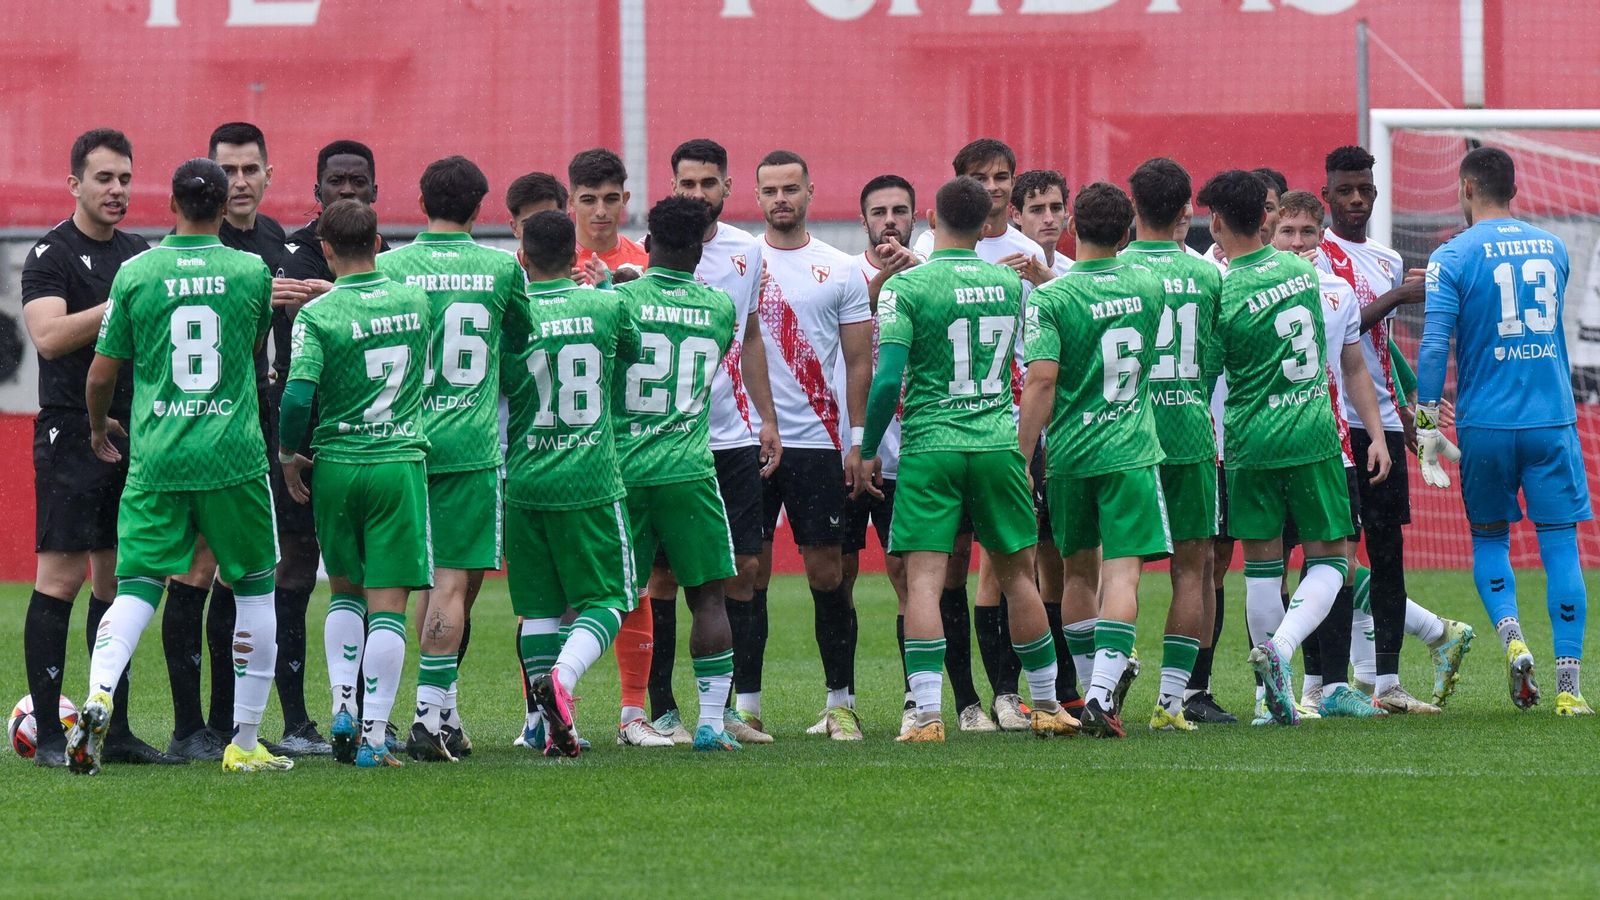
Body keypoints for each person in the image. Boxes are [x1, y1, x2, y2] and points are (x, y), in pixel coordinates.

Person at [65, 158, 289, 775]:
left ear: (169, 204)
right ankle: (244, 742)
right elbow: (247, 352)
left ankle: (98, 696)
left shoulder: (138, 272)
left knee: (136, 588)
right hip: (232, 458)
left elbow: (101, 374)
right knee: (254, 588)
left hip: (159, 457)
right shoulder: (250, 271)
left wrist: (96, 424)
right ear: (222, 208)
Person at [852, 176, 1079, 743]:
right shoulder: (1010, 283)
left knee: (925, 582)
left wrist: (867, 446)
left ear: (930, 218)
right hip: (998, 444)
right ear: (986, 224)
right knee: (1018, 579)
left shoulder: (907, 287)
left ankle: (927, 715)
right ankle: (1048, 705)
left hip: (931, 447)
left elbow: (885, 381)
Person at [159, 121, 329, 760]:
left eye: (249, 170)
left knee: (243, 570)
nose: (238, 182)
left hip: (255, 418)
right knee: (196, 568)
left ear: (268, 175)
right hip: (198, 423)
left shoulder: (274, 243)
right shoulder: (190, 244)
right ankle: (186, 726)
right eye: (226, 170)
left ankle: (229, 720)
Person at [20, 128, 180, 768]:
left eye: (125, 179)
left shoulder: (139, 254)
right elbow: (51, 338)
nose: (117, 191)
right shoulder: (50, 254)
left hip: (132, 433)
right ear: (75, 184)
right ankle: (52, 738)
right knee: (59, 579)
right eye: (104, 179)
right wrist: (119, 306)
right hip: (69, 431)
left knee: (118, 583)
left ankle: (112, 730)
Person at [1416, 146, 1592, 715]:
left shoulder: (1452, 255)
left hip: (1484, 426)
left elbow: (1435, 344)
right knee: (1561, 547)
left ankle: (1513, 639)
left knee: (1491, 539)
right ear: (1513, 189)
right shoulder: (1555, 247)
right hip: (1551, 423)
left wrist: (1425, 425)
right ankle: (1570, 690)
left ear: (1467, 188)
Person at [375, 155, 532, 761]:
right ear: (478, 208)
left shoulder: (390, 266)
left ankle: (424, 714)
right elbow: (520, 349)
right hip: (468, 448)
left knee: (401, 584)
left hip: (401, 442)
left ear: (421, 202)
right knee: (452, 584)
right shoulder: (499, 268)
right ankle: (427, 716)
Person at [279, 199, 433, 769]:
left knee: (344, 591)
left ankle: (341, 706)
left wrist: (290, 455)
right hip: (397, 462)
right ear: (378, 243)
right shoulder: (414, 298)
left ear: (323, 248)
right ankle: (372, 739)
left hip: (337, 465)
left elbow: (297, 395)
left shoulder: (317, 316)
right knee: (388, 605)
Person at [1201, 169, 1352, 727]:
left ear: (1216, 222)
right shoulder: (1300, 270)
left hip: (1247, 443)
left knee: (1261, 569)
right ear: (1266, 219)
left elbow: (1206, 376)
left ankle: (1269, 703)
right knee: (1332, 561)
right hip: (1311, 434)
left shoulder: (1221, 290)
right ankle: (1282, 651)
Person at [1018, 182, 1168, 737]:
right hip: (1129, 449)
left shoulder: (1052, 300)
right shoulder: (1148, 284)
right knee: (1122, 572)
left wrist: (1020, 454)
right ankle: (1105, 692)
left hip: (1071, 453)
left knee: (1076, 570)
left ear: (1073, 227)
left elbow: (1042, 381)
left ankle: (1086, 692)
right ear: (1126, 233)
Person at [847, 174, 994, 735]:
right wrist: (859, 442)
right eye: (878, 211)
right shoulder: (846, 274)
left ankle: (966, 700)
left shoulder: (933, 274)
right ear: (862, 219)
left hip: (933, 445)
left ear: (919, 218)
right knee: (902, 575)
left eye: (898, 210)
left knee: (946, 573)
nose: (889, 219)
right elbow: (857, 363)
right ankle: (920, 698)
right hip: (881, 448)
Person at [647, 139, 782, 746]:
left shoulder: (747, 252)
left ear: (728, 189)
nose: (696, 193)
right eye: (686, 184)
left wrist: (768, 418)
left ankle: (722, 706)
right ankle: (661, 708)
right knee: (664, 579)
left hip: (729, 437)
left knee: (741, 571)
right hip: (665, 440)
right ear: (673, 187)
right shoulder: (655, 253)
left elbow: (750, 336)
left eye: (707, 183)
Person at [913, 138, 1049, 730]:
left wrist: (1045, 281)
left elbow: (1052, 338)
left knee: (1007, 563)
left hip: (1009, 426)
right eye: (981, 176)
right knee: (953, 563)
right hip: (958, 427)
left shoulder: (1030, 253)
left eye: (1002, 176)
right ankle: (965, 698)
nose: (993, 186)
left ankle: (1004, 693)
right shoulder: (926, 250)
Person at [501, 210, 642, 756]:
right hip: (589, 478)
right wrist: (607, 287)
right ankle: (562, 681)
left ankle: (543, 725)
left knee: (538, 608)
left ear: (523, 259)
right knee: (611, 598)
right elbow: (631, 353)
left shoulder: (510, 319)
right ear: (578, 257)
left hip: (526, 478)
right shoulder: (606, 305)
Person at [613, 196, 745, 751]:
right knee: (708, 596)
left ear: (648, 242)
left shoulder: (619, 301)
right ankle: (712, 722)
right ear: (700, 249)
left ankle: (626, 713)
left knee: (618, 596)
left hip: (624, 466)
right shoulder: (719, 307)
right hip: (689, 465)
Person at [750, 150, 874, 739]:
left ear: (810, 192)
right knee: (746, 575)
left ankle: (840, 702)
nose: (781, 198)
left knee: (829, 575)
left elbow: (857, 364)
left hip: (819, 445)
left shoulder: (842, 268)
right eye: (770, 189)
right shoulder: (740, 262)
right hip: (748, 442)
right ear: (756, 197)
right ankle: (744, 706)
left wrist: (857, 440)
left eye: (790, 188)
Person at [1269, 190, 1402, 721]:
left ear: (1319, 237)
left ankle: (1323, 686)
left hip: (1331, 445)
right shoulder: (1243, 285)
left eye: (1307, 233)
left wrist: (1375, 433)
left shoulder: (1336, 290)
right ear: (1270, 233)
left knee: (1338, 560)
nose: (1298, 242)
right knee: (1273, 565)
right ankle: (1281, 680)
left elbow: (1354, 371)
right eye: (1288, 232)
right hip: (1265, 447)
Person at [1315, 145, 1436, 714]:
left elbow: (1380, 350)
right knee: (1332, 555)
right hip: (1334, 424)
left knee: (1388, 553)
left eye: (1364, 188)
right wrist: (1397, 298)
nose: (1357, 199)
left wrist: (1407, 417)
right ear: (1327, 195)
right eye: (1346, 190)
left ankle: (1387, 683)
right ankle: (1326, 682)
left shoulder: (1387, 259)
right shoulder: (1316, 255)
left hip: (1382, 424)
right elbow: (1335, 332)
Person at [1120, 158, 1225, 729]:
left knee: (1119, 565)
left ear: (1134, 207)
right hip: (1187, 427)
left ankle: (1105, 686)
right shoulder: (1208, 275)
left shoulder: (1113, 270)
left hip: (1128, 432)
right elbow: (1211, 360)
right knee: (1194, 567)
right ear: (1187, 210)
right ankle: (1172, 702)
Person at [569, 148, 648, 278]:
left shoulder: (645, 264)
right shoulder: (552, 268)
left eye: (611, 199)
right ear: (571, 202)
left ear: (625, 199)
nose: (601, 212)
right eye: (589, 200)